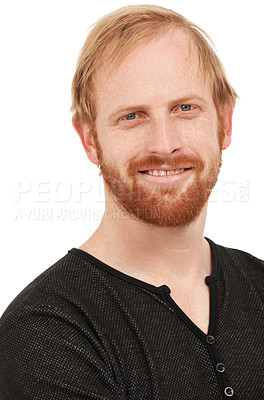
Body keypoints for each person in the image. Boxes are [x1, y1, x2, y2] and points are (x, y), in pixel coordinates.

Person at [0, 4, 263, 399]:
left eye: (185, 108)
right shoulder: (47, 332)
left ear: (224, 123)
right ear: (90, 140)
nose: (164, 144)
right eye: (133, 116)